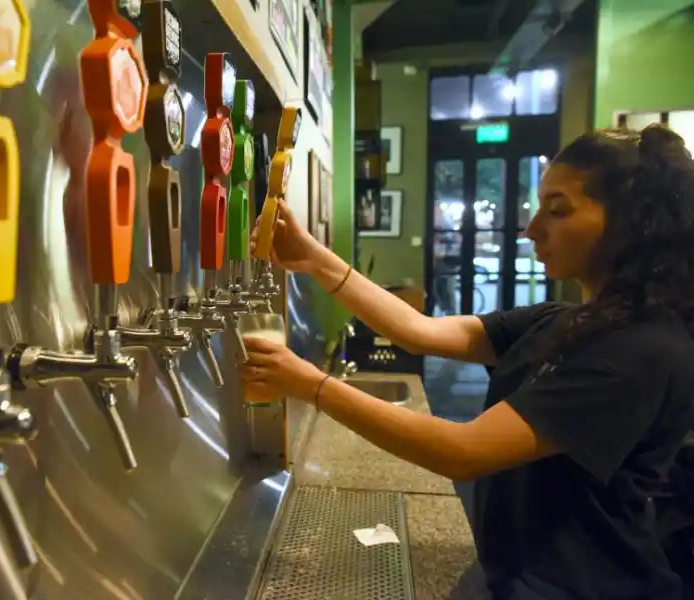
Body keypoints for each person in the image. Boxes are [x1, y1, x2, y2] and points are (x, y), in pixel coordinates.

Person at [241, 124, 694, 600]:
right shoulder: (565, 320)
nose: (532, 228)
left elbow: (463, 451)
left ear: (633, 224)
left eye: (557, 211)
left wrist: (311, 384)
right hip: (520, 569)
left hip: (582, 586)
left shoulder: (640, 352)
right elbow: (422, 332)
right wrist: (313, 258)